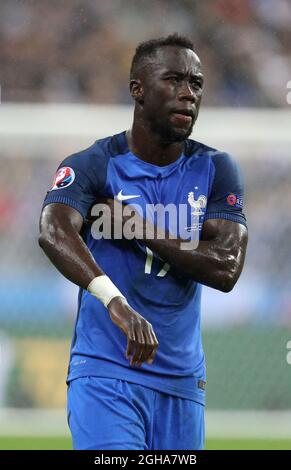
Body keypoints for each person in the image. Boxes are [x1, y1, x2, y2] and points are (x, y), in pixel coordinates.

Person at [39, 34, 248, 450]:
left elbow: (226, 269)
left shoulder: (216, 169)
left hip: (183, 382)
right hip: (106, 372)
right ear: (138, 89)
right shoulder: (96, 164)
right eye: (174, 80)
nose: (189, 94)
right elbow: (52, 230)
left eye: (197, 83)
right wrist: (114, 302)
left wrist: (142, 229)